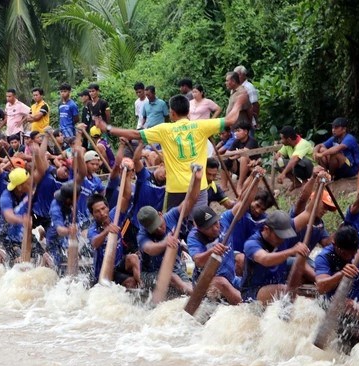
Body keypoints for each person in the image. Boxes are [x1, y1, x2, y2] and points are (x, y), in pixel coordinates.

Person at [94, 92, 247, 212]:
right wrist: (239, 102)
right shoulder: (202, 126)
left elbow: (134, 134)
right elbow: (231, 120)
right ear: (188, 111)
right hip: (199, 188)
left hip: (176, 190)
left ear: (172, 113)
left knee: (173, 230)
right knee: (200, 227)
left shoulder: (164, 130)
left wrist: (107, 127)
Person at [136, 166, 202, 295]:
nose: (160, 229)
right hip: (150, 274)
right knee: (172, 278)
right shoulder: (142, 234)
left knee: (189, 281)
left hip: (175, 268)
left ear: (160, 215)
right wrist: (165, 242)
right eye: (154, 229)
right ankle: (194, 295)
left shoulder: (171, 215)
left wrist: (198, 180)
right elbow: (150, 248)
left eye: (160, 225)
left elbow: (191, 200)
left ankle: (195, 295)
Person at [314, 225, 359, 325]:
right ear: (335, 245)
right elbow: (320, 287)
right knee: (350, 305)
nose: (351, 256)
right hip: (334, 304)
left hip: (358, 301)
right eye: (346, 253)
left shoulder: (358, 241)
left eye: (353, 253)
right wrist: (341, 274)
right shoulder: (324, 257)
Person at [242, 210, 309, 304]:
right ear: (266, 229)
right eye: (279, 236)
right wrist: (292, 251)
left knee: (301, 267)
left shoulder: (282, 235)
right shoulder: (251, 244)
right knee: (283, 290)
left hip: (276, 285)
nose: (282, 239)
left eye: (284, 236)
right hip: (252, 293)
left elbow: (308, 212)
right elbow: (265, 259)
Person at [188, 205, 241, 304]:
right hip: (207, 285)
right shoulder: (194, 237)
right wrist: (211, 252)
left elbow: (243, 203)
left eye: (215, 223)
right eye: (209, 227)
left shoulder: (224, 219)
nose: (215, 229)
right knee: (221, 282)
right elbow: (198, 261)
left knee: (242, 260)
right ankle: (248, 308)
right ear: (199, 228)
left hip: (231, 277)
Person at [0, 166, 45, 264]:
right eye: (28, 183)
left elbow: (41, 171)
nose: (31, 184)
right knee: (18, 262)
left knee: (42, 255)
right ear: (19, 186)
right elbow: (9, 217)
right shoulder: (6, 196)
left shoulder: (27, 193)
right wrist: (22, 220)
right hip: (8, 237)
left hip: (23, 233)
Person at [226, 120, 259, 194]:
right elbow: (227, 153)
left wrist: (236, 154)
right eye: (235, 131)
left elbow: (244, 152)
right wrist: (237, 153)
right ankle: (224, 185)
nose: (235, 133)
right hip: (240, 165)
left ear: (246, 132)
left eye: (238, 131)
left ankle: (239, 184)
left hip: (253, 165)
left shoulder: (252, 141)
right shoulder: (236, 141)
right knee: (225, 161)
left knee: (243, 157)